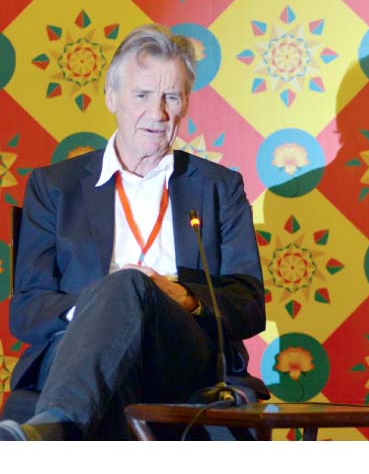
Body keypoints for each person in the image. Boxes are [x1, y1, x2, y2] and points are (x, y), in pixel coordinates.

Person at [0, 24, 265, 440]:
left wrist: (187, 298)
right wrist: (104, 305)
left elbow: (249, 305)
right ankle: (62, 423)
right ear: (111, 97)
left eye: (171, 97)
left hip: (180, 354)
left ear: (185, 105)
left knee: (131, 287)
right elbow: (27, 309)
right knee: (125, 288)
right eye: (142, 95)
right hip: (73, 353)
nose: (158, 114)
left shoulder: (218, 187)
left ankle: (53, 433)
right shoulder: (56, 187)